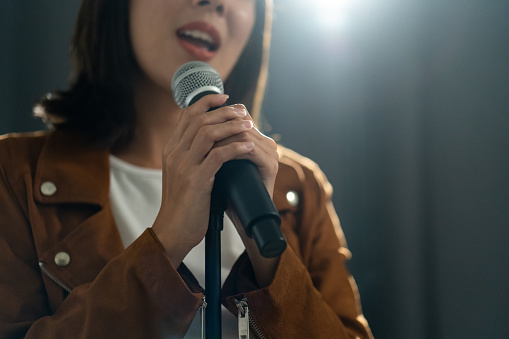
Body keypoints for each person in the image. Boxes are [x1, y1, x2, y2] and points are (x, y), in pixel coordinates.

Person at [0, 0, 372, 338]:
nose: (215, 2)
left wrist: (270, 260)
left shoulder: (300, 187)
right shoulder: (15, 174)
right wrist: (167, 240)